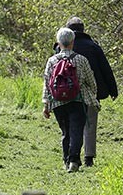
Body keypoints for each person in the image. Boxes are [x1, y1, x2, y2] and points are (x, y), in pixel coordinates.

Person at [61, 16, 118, 166]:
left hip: (66, 93)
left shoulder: (60, 47)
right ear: (83, 29)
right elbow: (106, 69)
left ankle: (70, 157)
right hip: (90, 92)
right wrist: (113, 89)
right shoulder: (93, 46)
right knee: (90, 123)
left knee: (70, 126)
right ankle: (88, 157)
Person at [42, 27, 100, 173]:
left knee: (65, 132)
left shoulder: (52, 61)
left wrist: (46, 104)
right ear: (73, 42)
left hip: (57, 102)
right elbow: (91, 82)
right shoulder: (81, 60)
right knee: (76, 131)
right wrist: (92, 97)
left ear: (58, 42)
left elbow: (47, 84)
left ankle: (66, 160)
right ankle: (74, 160)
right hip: (78, 100)